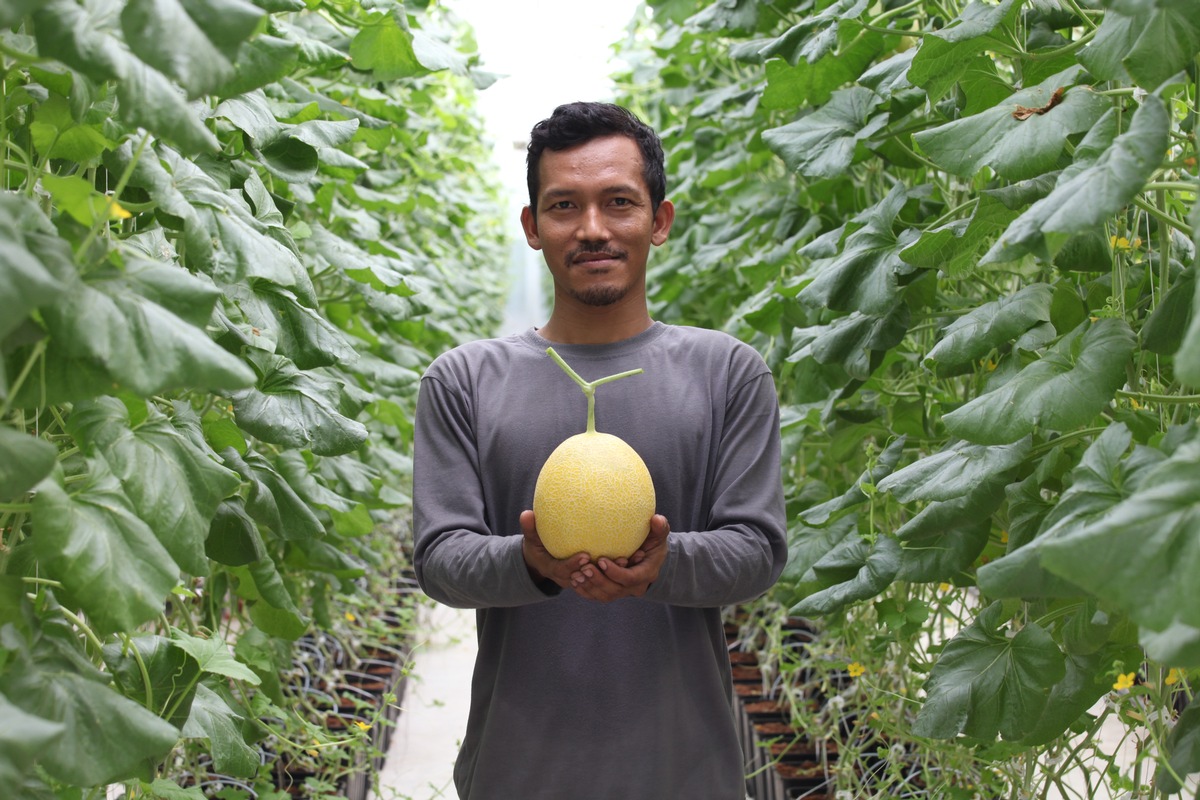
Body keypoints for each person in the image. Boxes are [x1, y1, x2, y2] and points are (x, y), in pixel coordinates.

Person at [412, 101, 788, 800]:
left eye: (619, 202)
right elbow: (439, 562)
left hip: (688, 776)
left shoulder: (728, 372)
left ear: (660, 220)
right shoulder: (462, 381)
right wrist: (529, 561)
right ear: (531, 226)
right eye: (563, 205)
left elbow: (758, 551)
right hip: (514, 774)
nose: (592, 229)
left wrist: (659, 564)